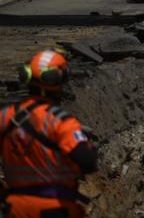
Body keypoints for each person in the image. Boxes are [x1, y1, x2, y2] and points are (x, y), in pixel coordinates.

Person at [0, 49, 98, 218]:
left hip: (15, 208)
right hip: (54, 208)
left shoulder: (5, 116)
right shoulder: (60, 121)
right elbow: (87, 161)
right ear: (58, 81)